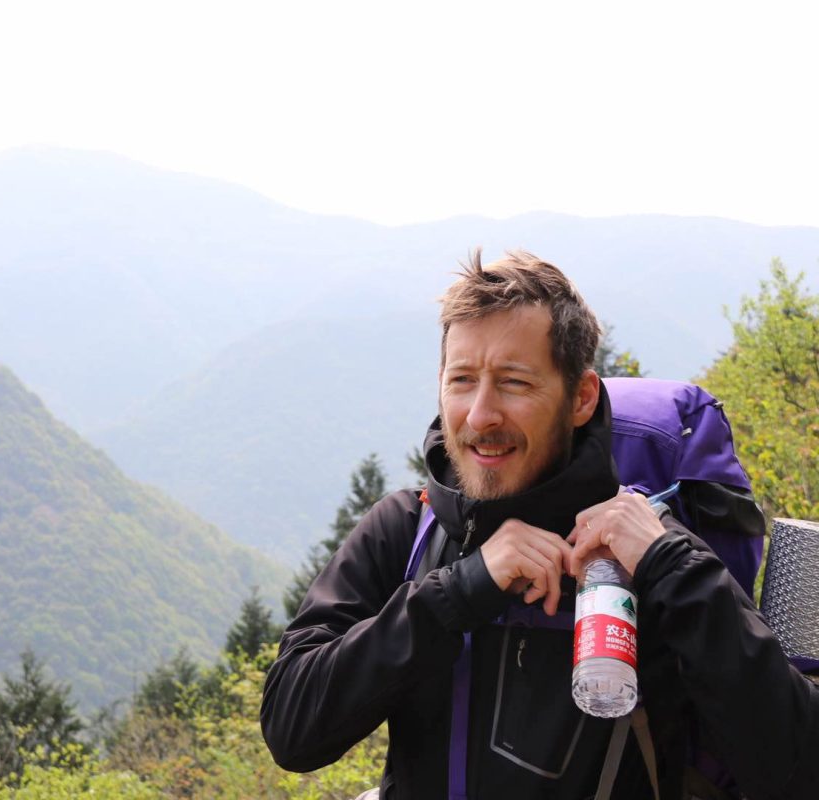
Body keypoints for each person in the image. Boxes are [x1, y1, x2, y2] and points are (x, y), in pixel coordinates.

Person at [260, 250, 819, 799]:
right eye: (461, 381)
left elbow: (796, 772)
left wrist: (674, 568)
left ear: (580, 397)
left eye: (514, 383)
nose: (480, 415)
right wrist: (462, 588)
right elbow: (292, 730)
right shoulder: (409, 529)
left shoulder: (649, 549)